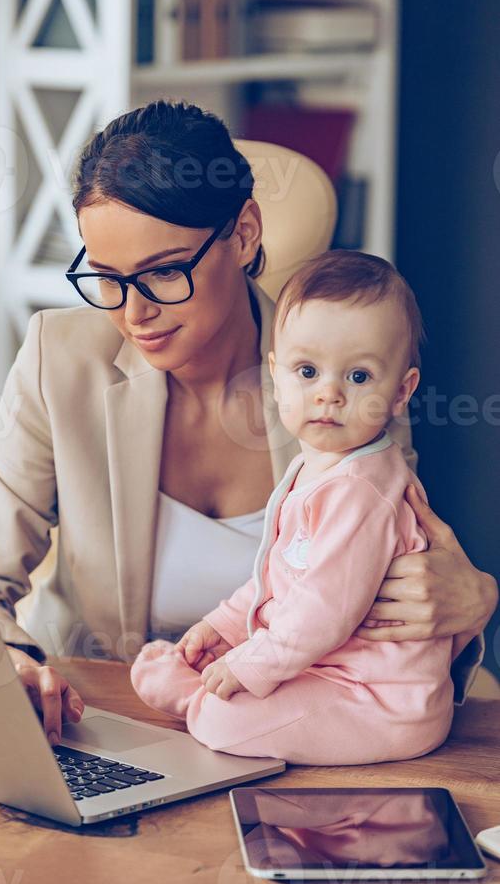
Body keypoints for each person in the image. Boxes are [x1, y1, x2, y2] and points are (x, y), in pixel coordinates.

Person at [0, 100, 497, 748]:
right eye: (108, 278)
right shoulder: (57, 360)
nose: (135, 311)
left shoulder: (338, 376)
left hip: (281, 730)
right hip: (95, 721)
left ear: (246, 234)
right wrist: (9, 663)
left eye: (164, 271)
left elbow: (382, 600)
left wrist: (473, 602)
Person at [130, 250, 477, 763]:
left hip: (382, 702)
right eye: (308, 371)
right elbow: (277, 573)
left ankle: (198, 702)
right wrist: (222, 627)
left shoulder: (361, 488)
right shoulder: (320, 467)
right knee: (239, 682)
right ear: (276, 376)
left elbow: (324, 611)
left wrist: (248, 666)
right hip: (329, 671)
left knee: (227, 717)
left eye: (358, 378)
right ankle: (208, 689)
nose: (329, 395)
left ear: (402, 391)